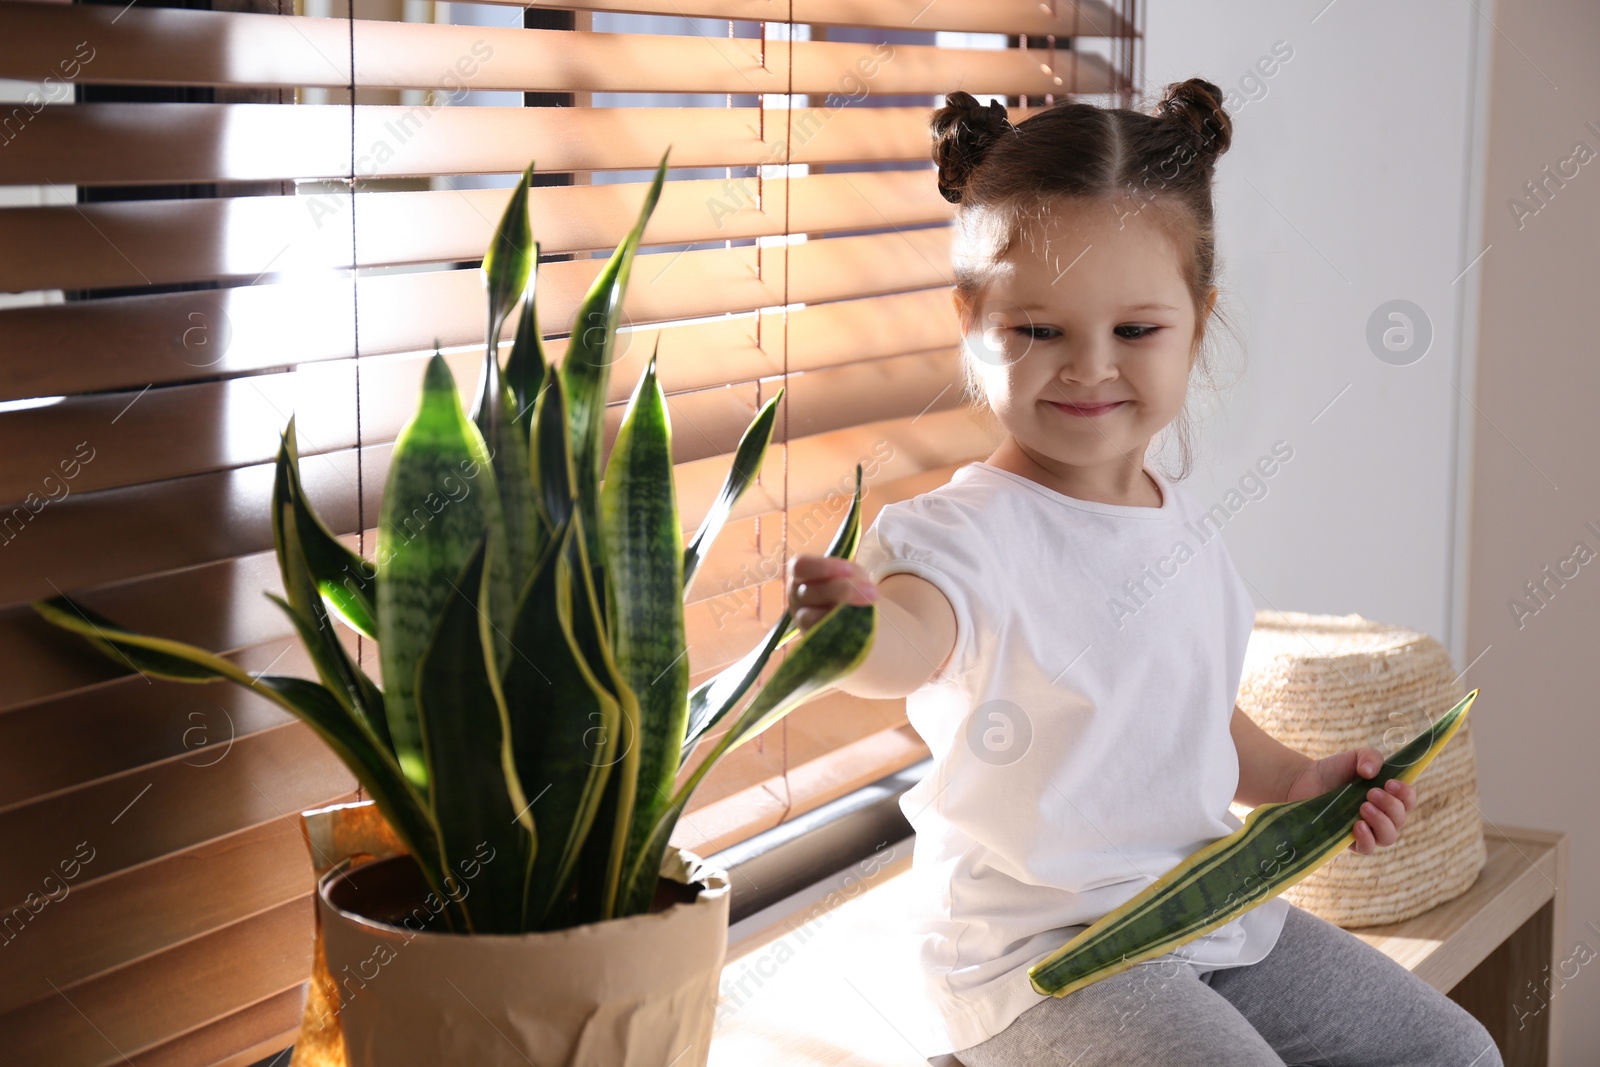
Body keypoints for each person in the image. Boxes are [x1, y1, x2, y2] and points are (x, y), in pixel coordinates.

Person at [783, 81, 1502, 1067]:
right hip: (1043, 955)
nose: (1086, 367)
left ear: (1196, 322)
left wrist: (1296, 778)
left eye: (1133, 331)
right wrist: (854, 631)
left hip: (1208, 910)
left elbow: (1186, 717)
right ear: (970, 317)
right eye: (1037, 330)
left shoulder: (1182, 522)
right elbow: (911, 640)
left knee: (1451, 1051)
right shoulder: (963, 533)